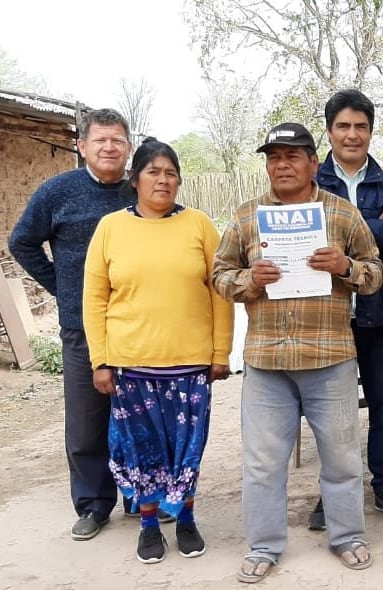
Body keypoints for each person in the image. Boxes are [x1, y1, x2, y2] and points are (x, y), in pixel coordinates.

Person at [212, 123, 383, 581]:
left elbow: (376, 272)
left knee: (343, 457)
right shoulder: (248, 216)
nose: (282, 165)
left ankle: (347, 537)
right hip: (267, 362)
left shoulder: (342, 215)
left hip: (329, 358)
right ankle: (265, 545)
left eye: (292, 156)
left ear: (313, 162)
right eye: (273, 157)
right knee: (263, 462)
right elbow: (219, 276)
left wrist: (346, 267)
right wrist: (251, 279)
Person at [7, 108, 163, 541]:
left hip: (138, 324)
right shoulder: (58, 192)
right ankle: (94, 504)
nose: (109, 147)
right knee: (86, 421)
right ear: (82, 146)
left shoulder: (142, 190)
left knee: (139, 417)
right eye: (100, 140)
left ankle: (142, 496)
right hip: (82, 328)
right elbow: (21, 240)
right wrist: (61, 286)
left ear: (129, 147)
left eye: (117, 140)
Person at [82, 139, 233, 563]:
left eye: (170, 173)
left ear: (179, 180)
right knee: (142, 450)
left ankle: (185, 519)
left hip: (189, 364)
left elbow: (221, 292)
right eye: (153, 172)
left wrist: (220, 352)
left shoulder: (200, 225)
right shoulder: (111, 228)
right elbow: (94, 298)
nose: (163, 180)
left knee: (187, 447)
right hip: (131, 364)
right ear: (135, 180)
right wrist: (101, 360)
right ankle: (149, 525)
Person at [308, 89, 383, 529]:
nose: (353, 135)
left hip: (379, 309)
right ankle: (332, 491)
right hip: (327, 313)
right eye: (343, 126)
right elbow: (309, 239)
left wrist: (339, 228)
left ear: (371, 132)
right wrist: (369, 226)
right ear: (330, 132)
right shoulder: (313, 180)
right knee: (332, 409)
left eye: (361, 127)